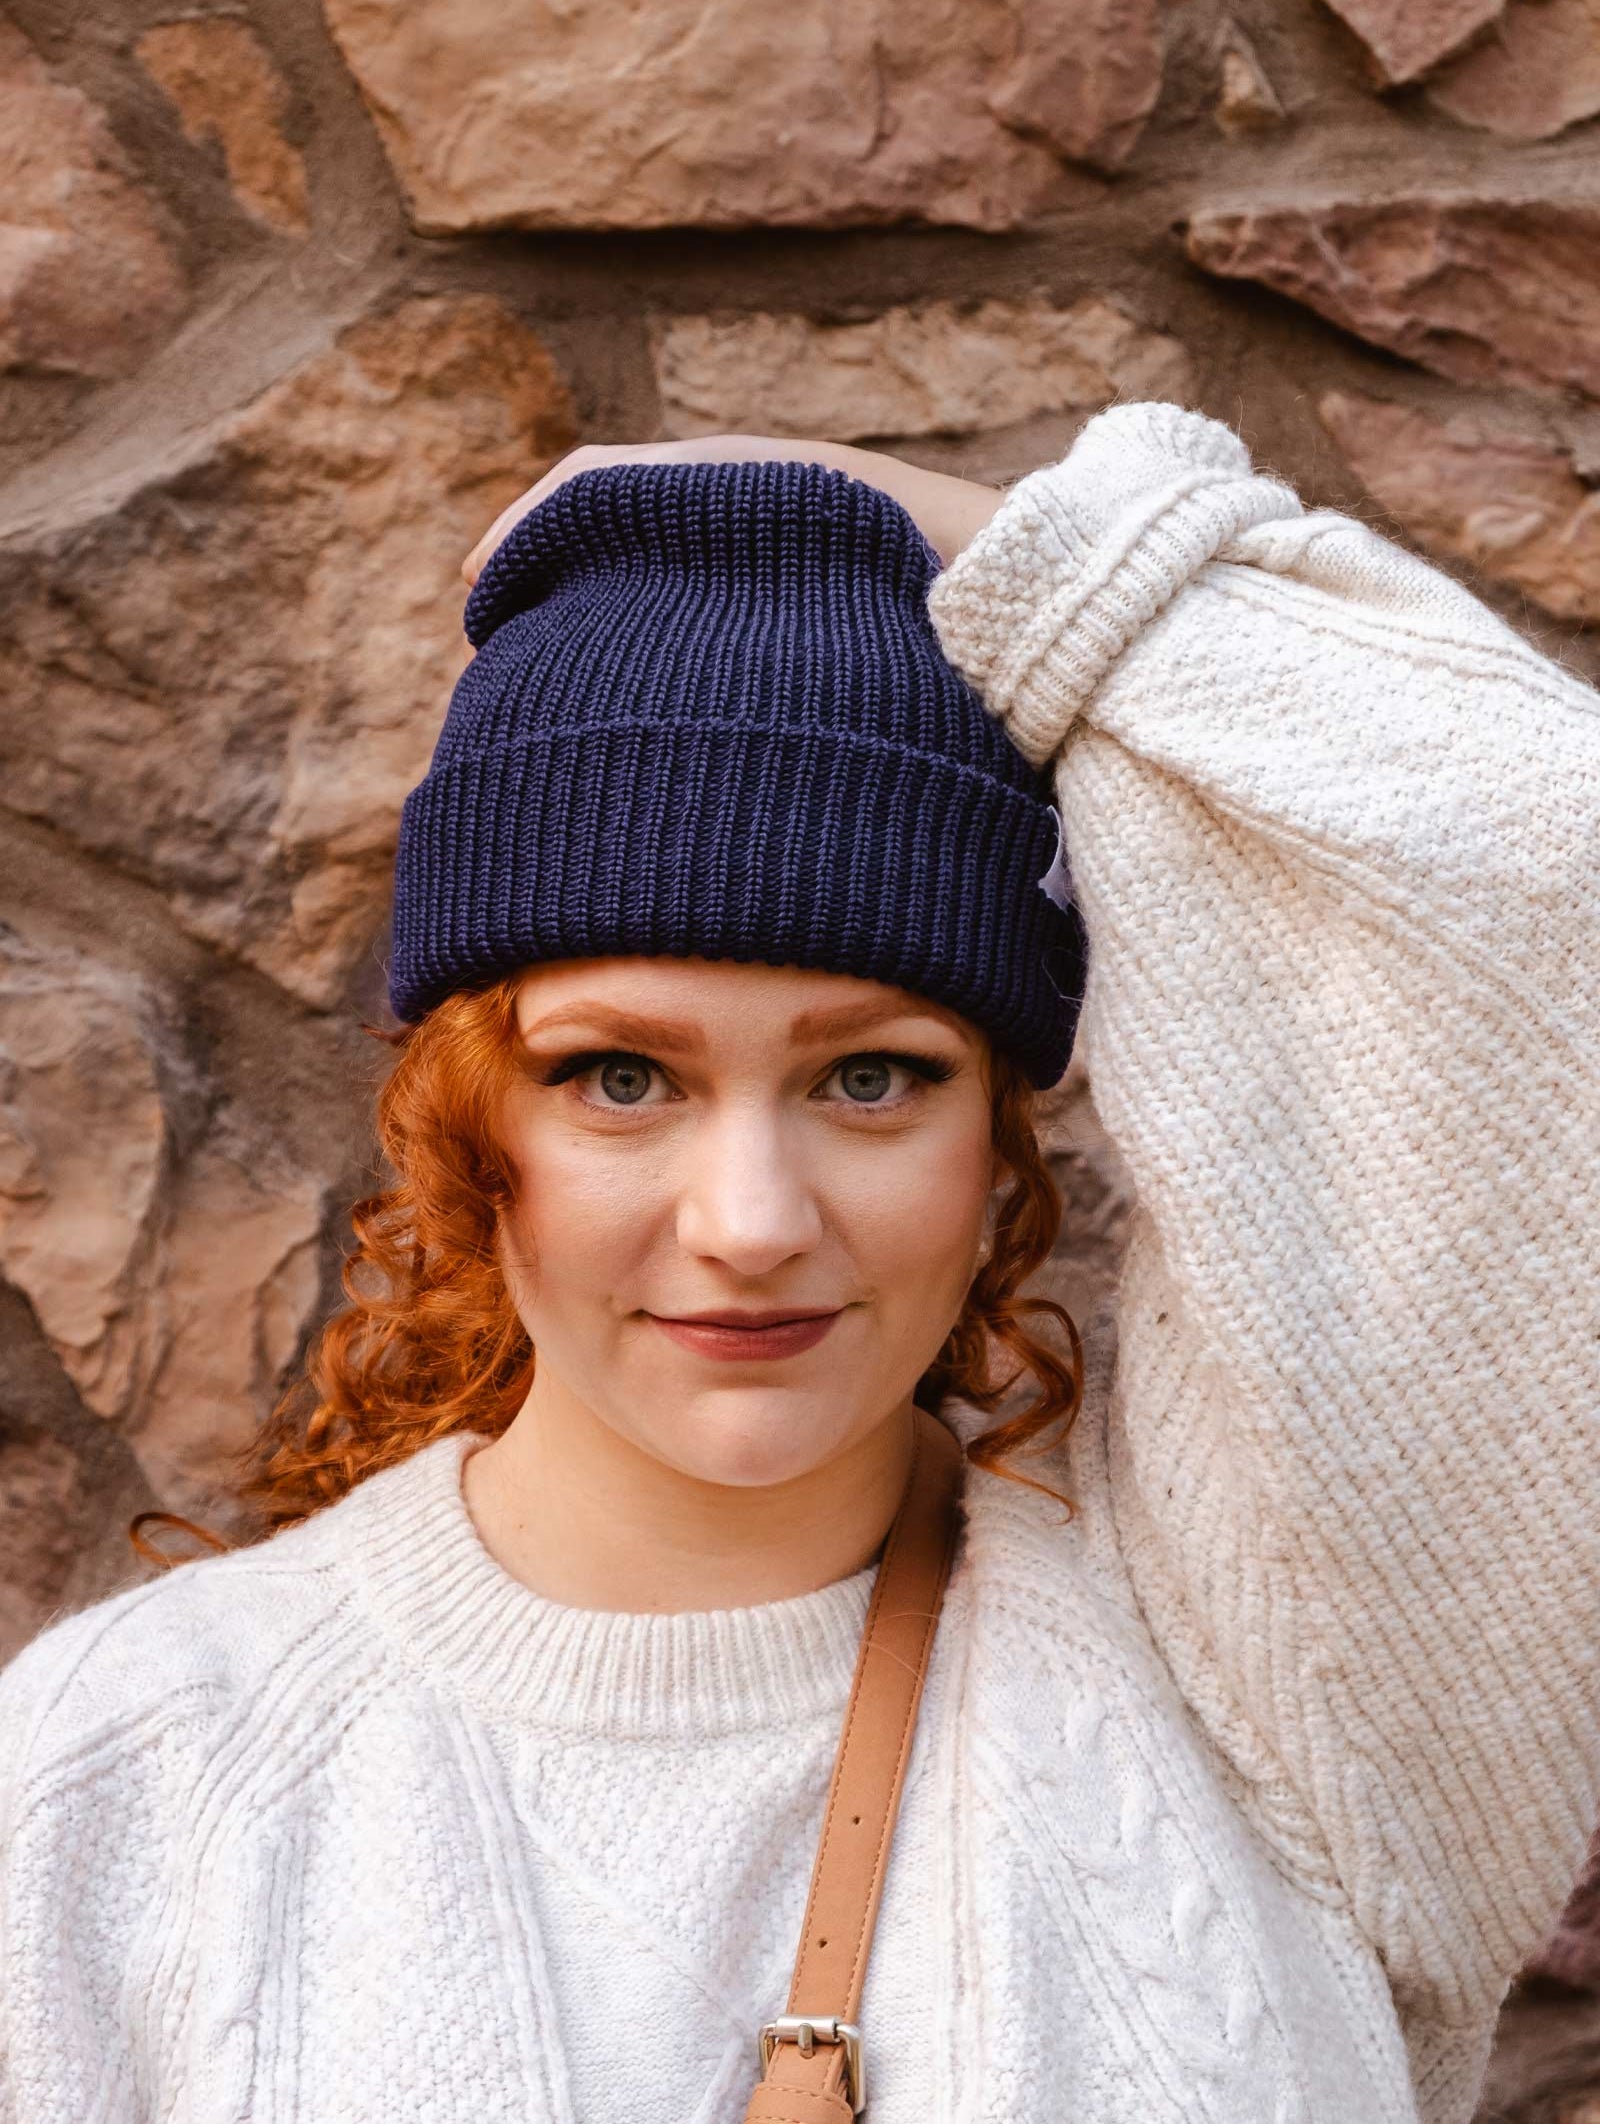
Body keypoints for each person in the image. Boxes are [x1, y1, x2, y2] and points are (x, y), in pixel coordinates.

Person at [0, 403, 1595, 2124]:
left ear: (1000, 1137)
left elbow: (1543, 857)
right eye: (621, 1078)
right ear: (475, 1128)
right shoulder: (123, 1772)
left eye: (871, 1077)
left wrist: (988, 539)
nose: (749, 1222)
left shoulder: (1283, 1679)